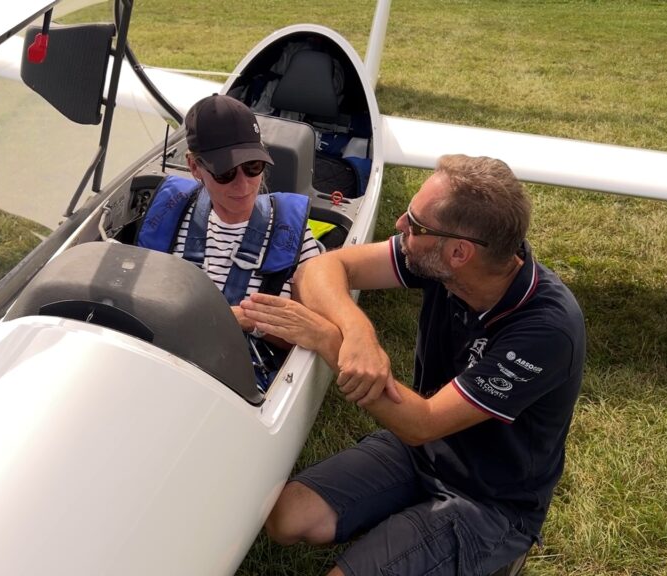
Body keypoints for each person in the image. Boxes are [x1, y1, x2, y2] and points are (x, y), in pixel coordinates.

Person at [242, 154, 586, 575]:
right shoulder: (441, 261)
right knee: (286, 519)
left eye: (415, 222)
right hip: (420, 451)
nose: (401, 224)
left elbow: (421, 422)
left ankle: (498, 552)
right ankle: (412, 528)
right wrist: (358, 333)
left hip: (490, 498)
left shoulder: (547, 331)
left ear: (460, 251)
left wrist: (331, 340)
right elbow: (322, 268)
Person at [135, 94, 329, 388]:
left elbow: (318, 335)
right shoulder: (170, 217)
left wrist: (253, 322)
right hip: (161, 363)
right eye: (225, 172)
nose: (243, 184)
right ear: (194, 167)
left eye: (253, 166)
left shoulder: (291, 234)